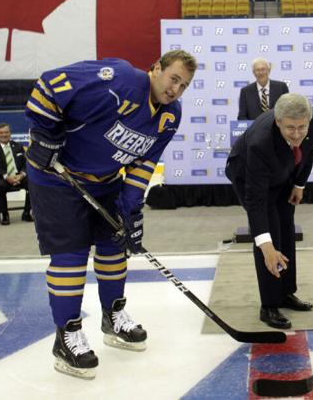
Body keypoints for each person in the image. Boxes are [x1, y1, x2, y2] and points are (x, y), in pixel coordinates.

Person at [24, 50, 197, 380]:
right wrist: (45, 133)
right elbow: (49, 84)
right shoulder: (120, 79)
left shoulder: (170, 116)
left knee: (115, 245)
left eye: (184, 85)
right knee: (71, 256)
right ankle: (66, 336)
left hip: (105, 180)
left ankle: (113, 317)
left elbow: (144, 163)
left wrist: (130, 210)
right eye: (173, 78)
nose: (176, 89)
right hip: (58, 178)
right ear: (156, 68)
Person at [226, 93, 313, 330]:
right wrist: (265, 245)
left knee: (286, 230)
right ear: (278, 122)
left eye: (301, 127)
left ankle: (285, 292)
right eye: (290, 128)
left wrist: (299, 184)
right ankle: (269, 305)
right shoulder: (260, 143)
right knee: (270, 236)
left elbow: (309, 151)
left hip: (283, 171)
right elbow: (256, 201)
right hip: (249, 175)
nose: (297, 134)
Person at [0, 123, 31, 225]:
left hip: (18, 176)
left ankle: (27, 212)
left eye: (6, 132)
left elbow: (26, 163)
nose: (4, 135)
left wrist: (22, 175)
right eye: (1, 133)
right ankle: (4, 214)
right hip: (1, 177)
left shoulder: (18, 146)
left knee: (33, 182)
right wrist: (6, 176)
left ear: (10, 133)